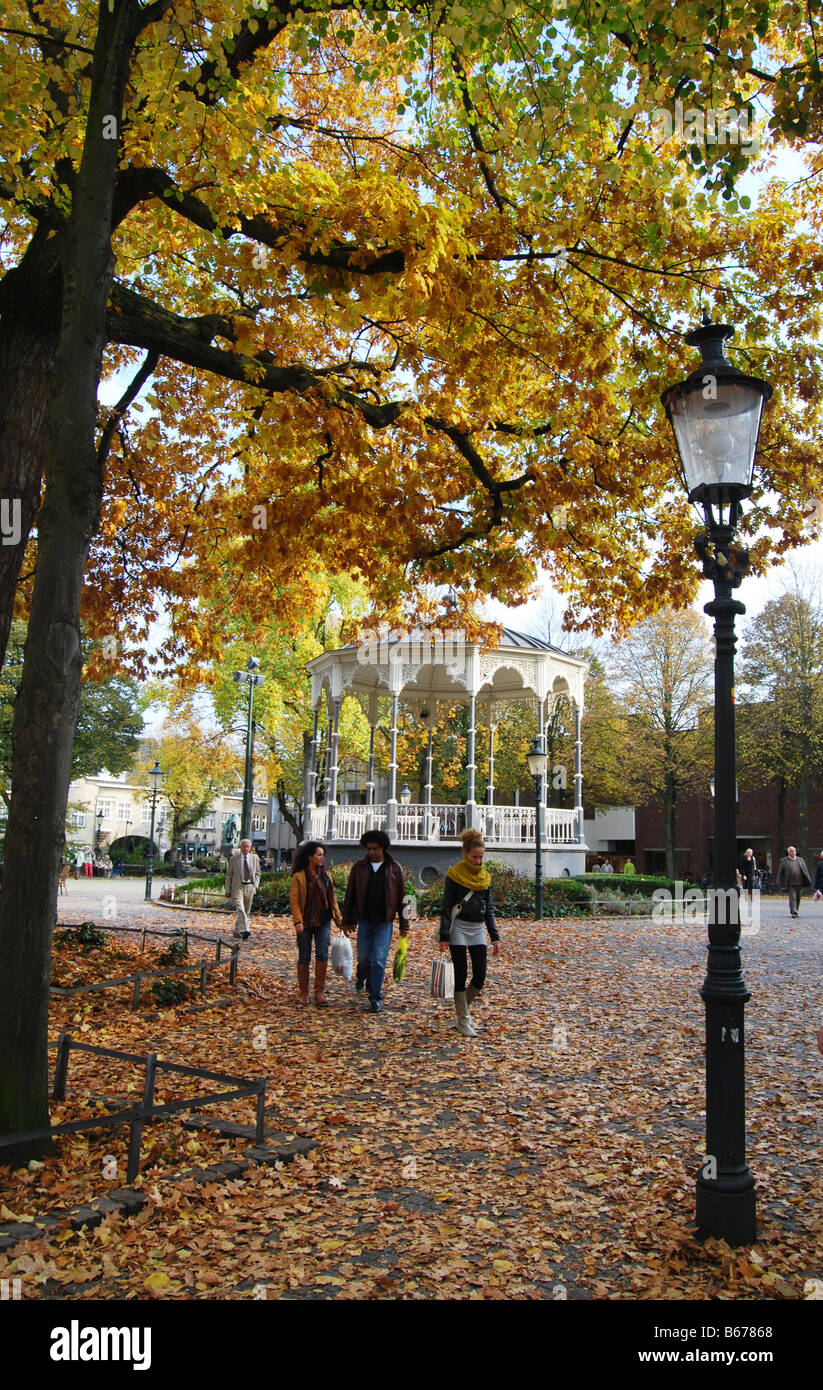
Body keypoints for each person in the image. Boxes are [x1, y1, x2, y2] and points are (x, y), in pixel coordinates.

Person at [439, 828, 500, 1037]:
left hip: (477, 929)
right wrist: (444, 935)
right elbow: (447, 906)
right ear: (465, 853)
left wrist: (495, 936)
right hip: (459, 928)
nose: (478, 861)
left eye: (481, 857)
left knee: (480, 976)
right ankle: (464, 1020)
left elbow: (489, 907)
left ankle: (461, 1011)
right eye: (474, 857)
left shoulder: (485, 877)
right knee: (461, 973)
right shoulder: (454, 875)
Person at [341, 830, 410, 1015]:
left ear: (383, 847)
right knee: (364, 959)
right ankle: (362, 974)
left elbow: (404, 896)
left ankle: (375, 998)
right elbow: (350, 895)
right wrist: (347, 921)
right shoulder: (359, 868)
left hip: (384, 922)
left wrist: (405, 924)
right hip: (365, 921)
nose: (371, 852)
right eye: (368, 849)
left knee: (379, 960)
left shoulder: (394, 868)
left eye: (375, 849)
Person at [289, 841, 342, 1006]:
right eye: (318, 855)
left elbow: (332, 898)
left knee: (322, 954)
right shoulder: (299, 877)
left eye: (322, 855)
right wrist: (297, 921)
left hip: (323, 920)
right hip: (304, 922)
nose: (322, 858)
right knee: (304, 955)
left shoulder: (326, 875)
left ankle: (319, 991)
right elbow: (294, 900)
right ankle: (303, 992)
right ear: (310, 857)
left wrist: (339, 919)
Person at [224, 837, 261, 939]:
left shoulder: (254, 858)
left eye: (247, 847)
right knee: (240, 908)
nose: (245, 849)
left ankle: (237, 931)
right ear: (240, 847)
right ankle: (246, 929)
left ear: (250, 848)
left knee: (246, 911)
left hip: (249, 886)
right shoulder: (234, 859)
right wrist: (227, 890)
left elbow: (258, 873)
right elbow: (229, 875)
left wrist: (255, 886)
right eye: (244, 847)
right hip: (237, 887)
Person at [776, 845, 811, 918]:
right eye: (792, 851)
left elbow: (805, 870)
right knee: (793, 898)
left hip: (800, 882)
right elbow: (780, 872)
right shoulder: (784, 861)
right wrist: (778, 880)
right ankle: (794, 912)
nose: (793, 852)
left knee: (798, 898)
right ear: (789, 852)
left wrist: (808, 879)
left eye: (794, 851)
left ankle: (796, 910)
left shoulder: (800, 860)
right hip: (790, 883)